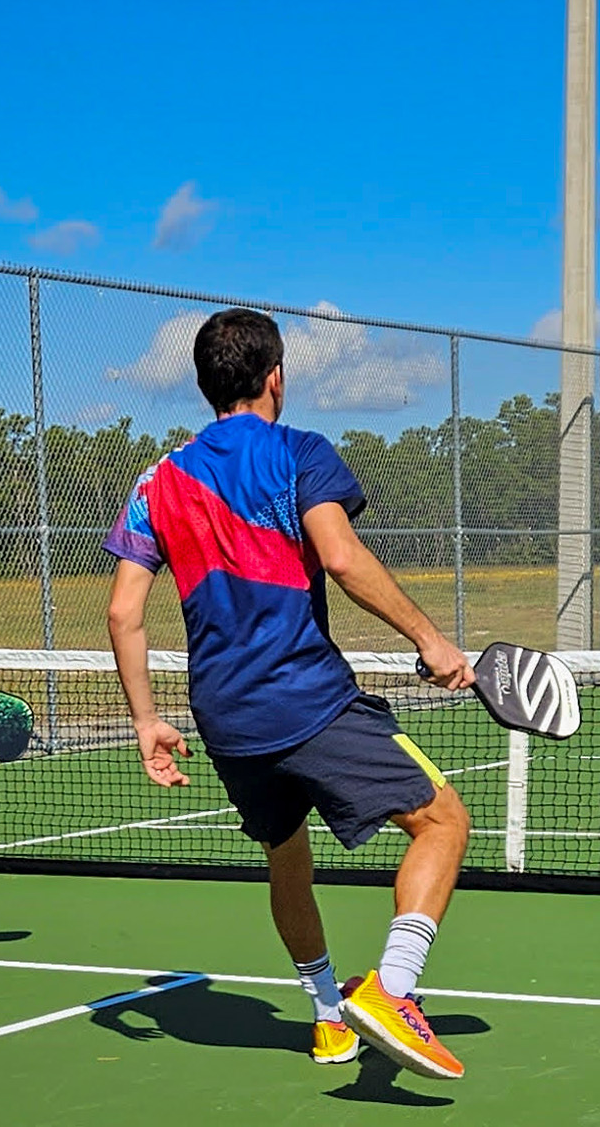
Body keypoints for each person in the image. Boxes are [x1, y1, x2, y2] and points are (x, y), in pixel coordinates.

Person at [104, 307, 476, 1081]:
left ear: (207, 386)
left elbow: (122, 611)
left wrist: (145, 719)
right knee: (443, 820)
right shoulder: (300, 451)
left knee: (287, 858)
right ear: (276, 377)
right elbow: (340, 557)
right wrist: (430, 640)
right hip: (306, 700)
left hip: (225, 720)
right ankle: (393, 990)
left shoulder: (158, 479)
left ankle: (328, 1020)